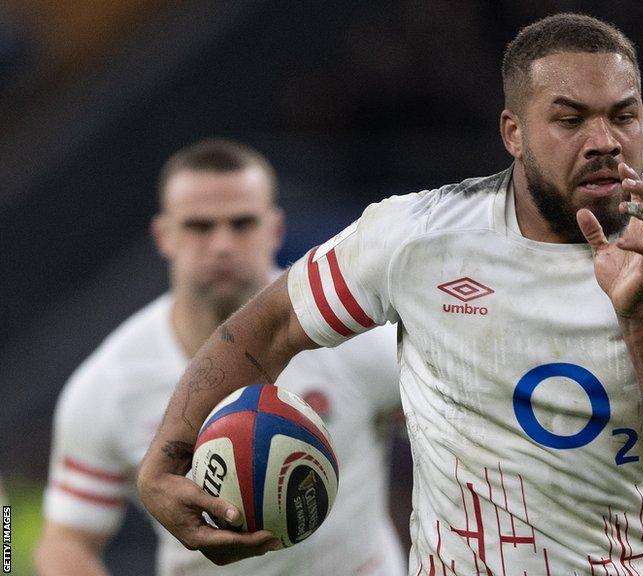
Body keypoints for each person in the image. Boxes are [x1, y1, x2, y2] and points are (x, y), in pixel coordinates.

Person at [137, 13, 643, 575]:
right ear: (513, 132)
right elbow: (263, 330)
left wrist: (640, 318)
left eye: (623, 116)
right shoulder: (418, 238)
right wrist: (165, 462)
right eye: (571, 119)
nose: (604, 140)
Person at [34, 139, 407, 576]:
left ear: (275, 229)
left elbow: (456, 434)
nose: (222, 244)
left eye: (242, 223)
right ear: (164, 236)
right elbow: (66, 542)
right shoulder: (110, 384)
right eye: (199, 226)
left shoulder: (356, 341)